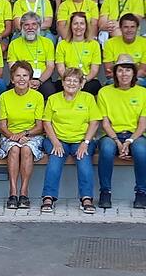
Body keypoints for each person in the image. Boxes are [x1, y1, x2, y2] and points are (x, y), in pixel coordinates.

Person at [40, 68, 102, 214]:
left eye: (75, 81)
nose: (71, 83)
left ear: (81, 84)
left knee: (84, 159)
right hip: (57, 139)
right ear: (62, 82)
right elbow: (46, 122)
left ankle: (86, 198)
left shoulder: (88, 98)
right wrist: (55, 142)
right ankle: (48, 197)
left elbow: (94, 122)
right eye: (68, 80)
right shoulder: (53, 99)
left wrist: (85, 143)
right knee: (55, 159)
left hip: (81, 140)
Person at [96, 55, 146, 209]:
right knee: (107, 150)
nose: (124, 74)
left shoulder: (143, 93)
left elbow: (142, 125)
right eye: (120, 70)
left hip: (135, 135)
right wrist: (117, 142)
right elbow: (105, 123)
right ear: (115, 73)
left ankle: (141, 193)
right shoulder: (104, 92)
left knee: (140, 151)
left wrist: (128, 142)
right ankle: (105, 192)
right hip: (111, 135)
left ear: (134, 73)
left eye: (128, 70)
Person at [0, 61, 45, 210]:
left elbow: (39, 127)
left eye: (25, 75)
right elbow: (2, 126)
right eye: (18, 75)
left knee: (26, 149)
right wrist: (14, 136)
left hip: (31, 135)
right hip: (9, 135)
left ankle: (24, 192)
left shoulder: (37, 97)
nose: (21, 79)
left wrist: (24, 134)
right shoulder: (5, 96)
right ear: (12, 79)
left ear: (30, 79)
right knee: (14, 149)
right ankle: (13, 192)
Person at [6, 12, 57, 99]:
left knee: (50, 91)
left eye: (34, 24)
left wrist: (39, 81)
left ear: (39, 26)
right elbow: (13, 68)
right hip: (21, 78)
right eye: (26, 25)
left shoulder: (47, 42)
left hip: (42, 78)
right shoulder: (14, 44)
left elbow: (50, 66)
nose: (30, 28)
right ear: (22, 27)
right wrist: (26, 81)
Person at [55, 12, 102, 96]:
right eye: (75, 23)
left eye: (82, 23)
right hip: (67, 78)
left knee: (93, 86)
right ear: (71, 26)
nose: (78, 27)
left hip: (86, 79)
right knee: (58, 87)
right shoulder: (62, 44)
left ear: (86, 26)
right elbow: (61, 69)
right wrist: (70, 81)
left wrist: (84, 80)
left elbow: (94, 70)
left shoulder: (94, 44)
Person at [103, 13, 146, 87]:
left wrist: (125, 77)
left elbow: (143, 71)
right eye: (126, 27)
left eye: (132, 27)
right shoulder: (109, 43)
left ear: (137, 28)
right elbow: (109, 71)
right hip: (115, 79)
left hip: (137, 78)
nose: (129, 30)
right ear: (120, 28)